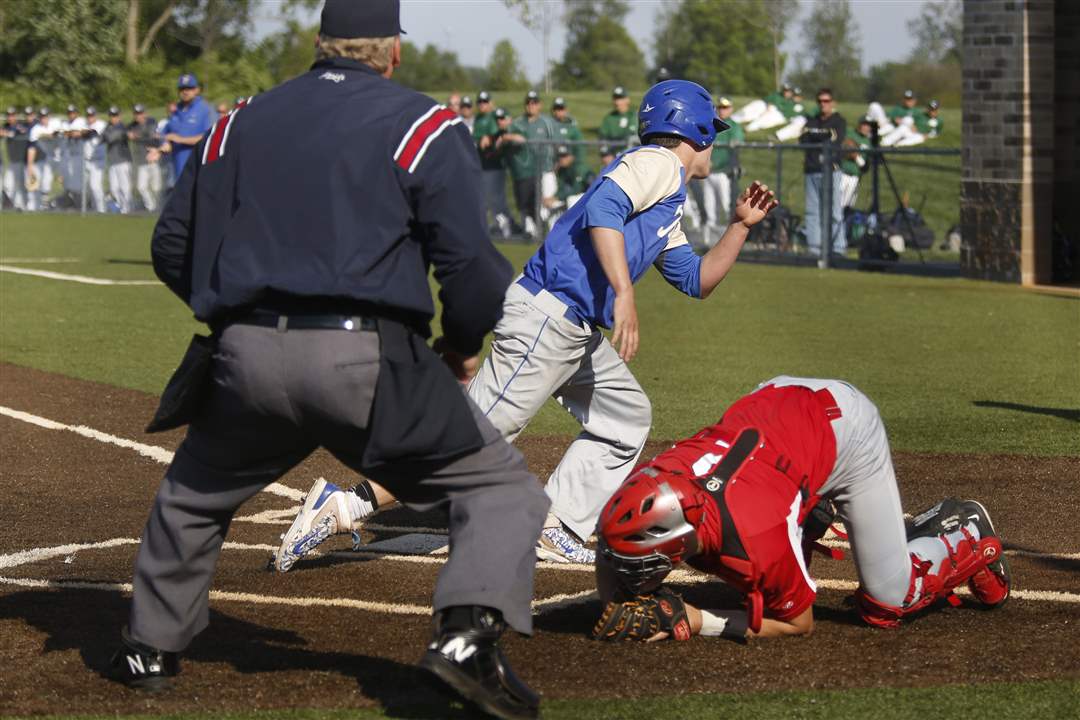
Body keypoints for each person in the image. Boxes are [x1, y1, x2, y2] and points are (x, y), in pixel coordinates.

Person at [107, 3, 548, 719]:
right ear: (392, 53)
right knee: (499, 491)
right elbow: (474, 272)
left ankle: (148, 649)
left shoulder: (236, 120)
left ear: (319, 45)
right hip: (366, 359)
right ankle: (467, 639)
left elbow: (171, 245)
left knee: (192, 496)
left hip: (245, 357)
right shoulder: (424, 124)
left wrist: (232, 313)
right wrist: (461, 347)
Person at [273, 80, 778, 572]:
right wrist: (624, 292)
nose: (717, 139)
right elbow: (603, 209)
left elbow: (695, 280)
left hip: (571, 330)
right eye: (714, 129)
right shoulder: (660, 163)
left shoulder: (666, 192)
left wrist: (738, 228)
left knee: (625, 419)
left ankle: (554, 525)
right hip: (547, 318)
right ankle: (346, 504)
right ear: (695, 131)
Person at [591, 376, 1011, 642]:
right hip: (777, 407)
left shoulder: (756, 533)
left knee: (886, 604)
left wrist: (698, 620)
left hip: (846, 429)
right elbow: (614, 538)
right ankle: (809, 510)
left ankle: (964, 530)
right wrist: (617, 599)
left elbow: (797, 624)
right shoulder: (652, 480)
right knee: (754, 553)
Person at [497, 89, 555, 239]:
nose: (531, 105)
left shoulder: (546, 122)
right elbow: (505, 138)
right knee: (526, 203)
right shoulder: (517, 123)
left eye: (534, 102)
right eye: (528, 103)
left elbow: (556, 144)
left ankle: (549, 231)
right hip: (525, 171)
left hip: (546, 168)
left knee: (545, 203)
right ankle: (532, 231)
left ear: (540, 105)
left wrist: (555, 165)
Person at [800, 88, 846, 259]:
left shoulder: (839, 120)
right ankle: (814, 248)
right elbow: (803, 139)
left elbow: (835, 139)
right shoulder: (812, 119)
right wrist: (821, 136)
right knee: (812, 211)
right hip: (811, 170)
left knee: (834, 212)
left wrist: (815, 135)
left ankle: (838, 248)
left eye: (826, 101)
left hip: (830, 171)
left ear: (832, 103)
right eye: (820, 101)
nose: (823, 104)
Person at [698, 96, 744, 245]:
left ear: (731, 109)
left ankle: (730, 240)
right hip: (709, 173)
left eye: (725, 107)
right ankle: (709, 241)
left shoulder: (733, 126)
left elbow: (737, 143)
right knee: (710, 208)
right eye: (720, 107)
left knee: (726, 206)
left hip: (724, 173)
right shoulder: (712, 125)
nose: (722, 110)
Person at [473, 94, 516, 238]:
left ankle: (507, 226)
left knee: (496, 199)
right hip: (483, 164)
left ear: (491, 102)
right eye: (480, 101)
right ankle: (501, 226)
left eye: (485, 101)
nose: (482, 104)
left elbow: (496, 135)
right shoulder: (479, 118)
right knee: (488, 198)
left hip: (495, 165)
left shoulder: (493, 116)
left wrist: (489, 137)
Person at [161, 73, 216, 184]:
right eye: (182, 89)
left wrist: (180, 139)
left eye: (189, 88)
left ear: (197, 90)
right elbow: (166, 133)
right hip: (178, 168)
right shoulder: (176, 111)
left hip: (199, 168)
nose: (185, 92)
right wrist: (164, 143)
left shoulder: (206, 109)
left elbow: (210, 136)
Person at [26, 106, 62, 210]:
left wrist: (50, 135)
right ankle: (45, 205)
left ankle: (74, 204)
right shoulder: (36, 129)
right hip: (50, 157)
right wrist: (29, 165)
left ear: (49, 116)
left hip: (64, 155)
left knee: (67, 182)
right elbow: (32, 148)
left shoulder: (56, 123)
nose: (43, 119)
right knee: (45, 181)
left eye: (45, 116)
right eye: (41, 117)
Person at [129, 104, 162, 212]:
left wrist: (137, 138)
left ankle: (159, 207)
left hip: (153, 158)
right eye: (136, 114)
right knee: (141, 187)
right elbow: (127, 132)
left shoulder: (152, 122)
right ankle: (151, 207)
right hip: (142, 160)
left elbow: (153, 139)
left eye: (140, 113)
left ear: (145, 113)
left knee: (156, 187)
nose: (138, 116)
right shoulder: (133, 125)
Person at [103, 106, 133, 213]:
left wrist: (112, 135)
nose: (113, 118)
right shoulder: (108, 127)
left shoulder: (123, 127)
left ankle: (127, 208)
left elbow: (110, 138)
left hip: (123, 160)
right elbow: (104, 137)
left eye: (115, 116)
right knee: (114, 188)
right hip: (112, 161)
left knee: (124, 186)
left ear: (119, 116)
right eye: (111, 116)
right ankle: (121, 206)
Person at [839, 115, 873, 209]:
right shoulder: (850, 133)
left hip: (856, 177)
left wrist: (858, 158)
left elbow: (866, 166)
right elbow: (844, 144)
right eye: (864, 124)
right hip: (842, 174)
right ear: (859, 125)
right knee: (836, 203)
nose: (866, 127)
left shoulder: (869, 142)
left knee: (848, 206)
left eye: (869, 125)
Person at [2, 107, 30, 210]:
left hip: (21, 160)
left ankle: (23, 205)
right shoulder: (6, 126)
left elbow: (21, 132)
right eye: (9, 115)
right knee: (7, 185)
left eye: (12, 115)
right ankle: (17, 204)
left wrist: (8, 133)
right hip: (12, 161)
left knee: (20, 184)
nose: (10, 117)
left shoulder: (19, 125)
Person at [82, 106, 107, 212]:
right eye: (88, 115)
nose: (90, 118)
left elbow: (94, 133)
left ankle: (101, 209)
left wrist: (85, 132)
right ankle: (93, 208)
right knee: (86, 187)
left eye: (92, 115)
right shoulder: (84, 125)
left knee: (95, 186)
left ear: (95, 115)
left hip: (98, 160)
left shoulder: (101, 124)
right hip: (86, 160)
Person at [550, 96, 585, 172]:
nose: (558, 111)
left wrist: (571, 158)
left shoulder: (572, 126)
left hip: (572, 166)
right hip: (553, 164)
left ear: (566, 110)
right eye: (556, 108)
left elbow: (580, 148)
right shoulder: (548, 125)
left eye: (561, 108)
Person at [60, 104, 87, 202]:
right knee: (68, 181)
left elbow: (82, 132)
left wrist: (72, 133)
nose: (71, 115)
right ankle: (73, 202)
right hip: (68, 155)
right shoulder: (65, 123)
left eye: (73, 113)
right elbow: (63, 133)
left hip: (79, 155)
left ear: (76, 113)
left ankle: (81, 203)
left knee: (78, 182)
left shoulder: (81, 121)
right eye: (69, 113)